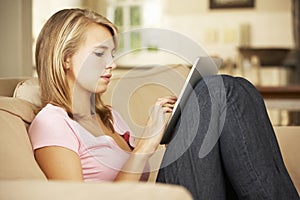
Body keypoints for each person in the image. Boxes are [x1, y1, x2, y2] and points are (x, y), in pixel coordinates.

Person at [28, 8, 299, 199]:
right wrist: (146, 144)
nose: (111, 64)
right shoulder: (53, 122)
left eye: (112, 54)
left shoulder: (110, 117)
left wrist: (169, 129)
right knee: (219, 90)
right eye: (99, 54)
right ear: (65, 58)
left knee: (238, 88)